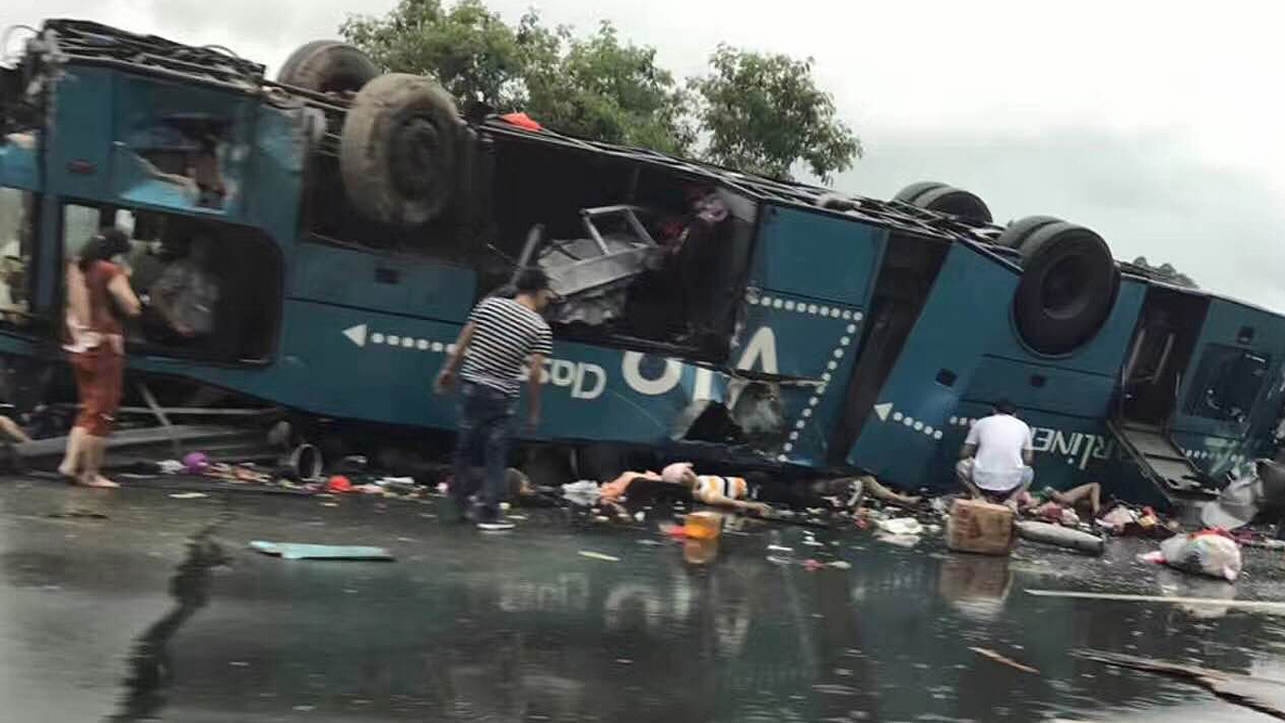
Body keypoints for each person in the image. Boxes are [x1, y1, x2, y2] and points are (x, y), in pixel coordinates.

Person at [435, 268, 555, 530]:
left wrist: (448, 371)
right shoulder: (539, 327)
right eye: (547, 292)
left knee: (465, 446)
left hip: (471, 387)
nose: (548, 298)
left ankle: (457, 505)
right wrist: (534, 411)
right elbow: (535, 374)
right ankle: (488, 512)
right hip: (500, 395)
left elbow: (463, 341)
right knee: (495, 453)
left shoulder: (489, 305)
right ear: (538, 290)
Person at [57, 228, 141, 488]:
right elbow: (131, 305)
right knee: (104, 412)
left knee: (88, 409)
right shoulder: (108, 270)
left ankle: (70, 464)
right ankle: (91, 473)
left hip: (79, 345)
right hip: (105, 346)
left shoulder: (78, 268)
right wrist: (128, 282)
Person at [956, 399, 1035, 508]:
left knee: (961, 466)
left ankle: (978, 497)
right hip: (1011, 483)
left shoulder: (981, 422)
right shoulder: (1024, 426)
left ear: (994, 411)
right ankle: (1011, 500)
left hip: (980, 480)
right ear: (1015, 415)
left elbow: (964, 453)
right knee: (1029, 472)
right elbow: (1028, 460)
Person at [147, 234, 219, 342]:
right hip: (182, 336)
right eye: (201, 247)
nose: (205, 251)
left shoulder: (214, 276)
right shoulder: (182, 269)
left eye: (210, 248)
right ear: (192, 248)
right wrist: (176, 323)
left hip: (206, 339)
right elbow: (156, 293)